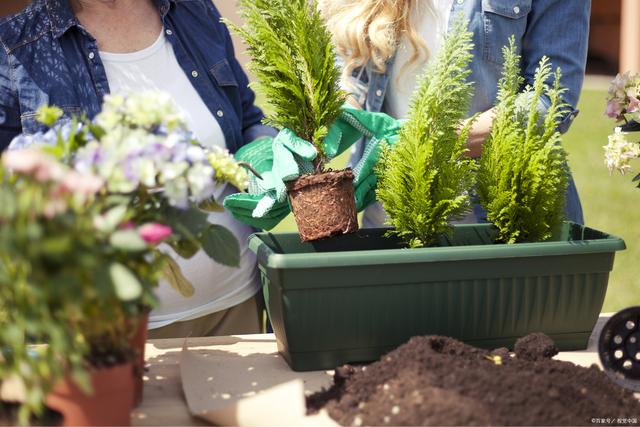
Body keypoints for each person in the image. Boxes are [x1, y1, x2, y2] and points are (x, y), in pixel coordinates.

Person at [0, 0, 277, 337]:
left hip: (236, 308)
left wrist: (266, 156)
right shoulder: (17, 44)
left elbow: (246, 117)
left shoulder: (193, 10)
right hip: (110, 337)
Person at [319, 0, 590, 227]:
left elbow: (551, 97)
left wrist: (436, 141)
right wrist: (331, 113)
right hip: (389, 223)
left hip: (508, 225)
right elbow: (350, 65)